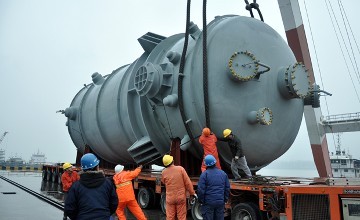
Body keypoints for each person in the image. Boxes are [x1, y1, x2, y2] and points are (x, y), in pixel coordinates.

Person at [64, 153, 118, 220]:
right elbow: (114, 203)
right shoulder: (108, 184)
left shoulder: (76, 186)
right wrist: (105, 214)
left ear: (83, 169)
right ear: (97, 167)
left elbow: (69, 208)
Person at [161, 154, 196, 220]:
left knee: (170, 217)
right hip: (180, 197)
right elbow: (188, 183)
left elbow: (163, 182)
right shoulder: (180, 169)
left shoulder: (163, 172)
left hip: (170, 198)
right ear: (173, 161)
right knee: (181, 217)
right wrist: (192, 193)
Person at [197, 155, 230, 220]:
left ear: (206, 164)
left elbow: (201, 190)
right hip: (220, 202)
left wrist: (201, 201)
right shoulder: (223, 173)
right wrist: (225, 199)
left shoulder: (204, 174)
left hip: (208, 203)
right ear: (215, 162)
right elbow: (227, 188)